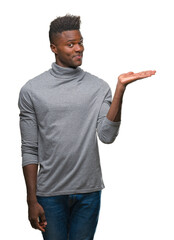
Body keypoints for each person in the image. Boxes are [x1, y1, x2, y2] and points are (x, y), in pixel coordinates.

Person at [18, 14, 156, 240]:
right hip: (50, 194)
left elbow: (107, 135)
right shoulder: (32, 90)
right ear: (54, 48)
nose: (78, 48)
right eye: (70, 44)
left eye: (80, 42)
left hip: (89, 192)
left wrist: (120, 89)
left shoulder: (98, 87)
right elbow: (29, 149)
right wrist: (31, 201)